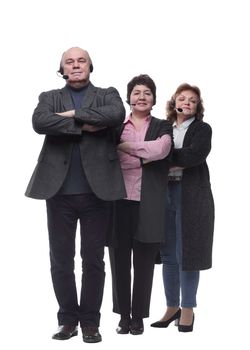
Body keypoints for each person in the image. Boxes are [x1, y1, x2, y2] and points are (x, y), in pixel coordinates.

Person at [25, 47, 126, 343]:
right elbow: (40, 122)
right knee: (61, 259)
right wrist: (87, 124)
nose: (76, 65)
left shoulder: (108, 93)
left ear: (90, 66)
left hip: (98, 193)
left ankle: (90, 323)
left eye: (81, 60)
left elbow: (116, 114)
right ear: (62, 70)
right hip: (58, 192)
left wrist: (70, 116)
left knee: (93, 260)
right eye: (69, 62)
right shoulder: (49, 97)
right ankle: (68, 320)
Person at [108, 74, 173, 335]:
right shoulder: (115, 126)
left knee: (145, 262)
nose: (141, 96)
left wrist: (125, 147)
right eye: (136, 92)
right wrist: (144, 153)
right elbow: (108, 152)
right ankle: (124, 315)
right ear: (129, 98)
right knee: (119, 260)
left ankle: (138, 316)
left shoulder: (162, 125)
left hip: (149, 201)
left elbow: (162, 150)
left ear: (154, 99)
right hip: (118, 200)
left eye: (147, 92)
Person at [151, 83, 214, 332]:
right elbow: (153, 151)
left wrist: (161, 156)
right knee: (167, 254)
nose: (187, 103)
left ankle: (187, 309)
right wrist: (159, 155)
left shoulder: (202, 129)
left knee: (187, 254)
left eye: (193, 100)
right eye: (183, 98)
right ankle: (171, 307)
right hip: (162, 193)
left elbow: (194, 155)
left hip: (191, 196)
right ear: (174, 102)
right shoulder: (163, 128)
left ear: (197, 107)